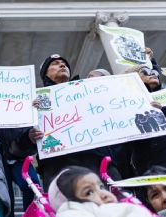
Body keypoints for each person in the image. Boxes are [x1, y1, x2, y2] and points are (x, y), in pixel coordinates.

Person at [36, 54, 128, 190]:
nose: (62, 65)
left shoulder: (88, 92)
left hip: (99, 161)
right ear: (45, 74)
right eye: (55, 63)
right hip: (58, 166)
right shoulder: (36, 102)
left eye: (64, 63)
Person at [48, 166, 166, 217]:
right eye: (89, 192)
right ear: (70, 202)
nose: (103, 194)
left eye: (101, 187)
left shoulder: (124, 206)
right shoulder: (72, 214)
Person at [125, 65, 166, 175]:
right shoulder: (126, 104)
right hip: (156, 165)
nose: (152, 74)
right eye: (145, 72)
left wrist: (163, 111)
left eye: (155, 72)